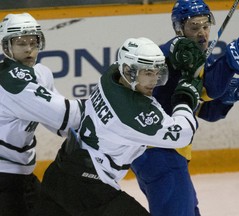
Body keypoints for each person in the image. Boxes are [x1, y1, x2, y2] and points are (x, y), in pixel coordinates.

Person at [32, 37, 206, 216]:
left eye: (157, 72)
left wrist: (171, 50)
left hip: (60, 174)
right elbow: (182, 134)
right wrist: (185, 98)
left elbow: (137, 58)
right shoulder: (133, 112)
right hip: (89, 193)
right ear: (129, 71)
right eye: (148, 73)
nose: (154, 80)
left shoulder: (112, 75)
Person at [131, 0, 239, 216]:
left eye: (205, 26)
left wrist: (229, 96)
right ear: (179, 29)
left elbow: (205, 110)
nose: (202, 34)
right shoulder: (173, 53)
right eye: (194, 27)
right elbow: (211, 87)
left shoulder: (197, 57)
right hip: (159, 154)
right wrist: (233, 58)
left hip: (161, 155)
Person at [0, 13, 82, 216]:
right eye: (20, 43)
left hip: (22, 173)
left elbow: (60, 123)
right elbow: (67, 115)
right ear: (6, 47)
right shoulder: (11, 81)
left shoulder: (40, 73)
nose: (29, 49)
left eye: (33, 42)